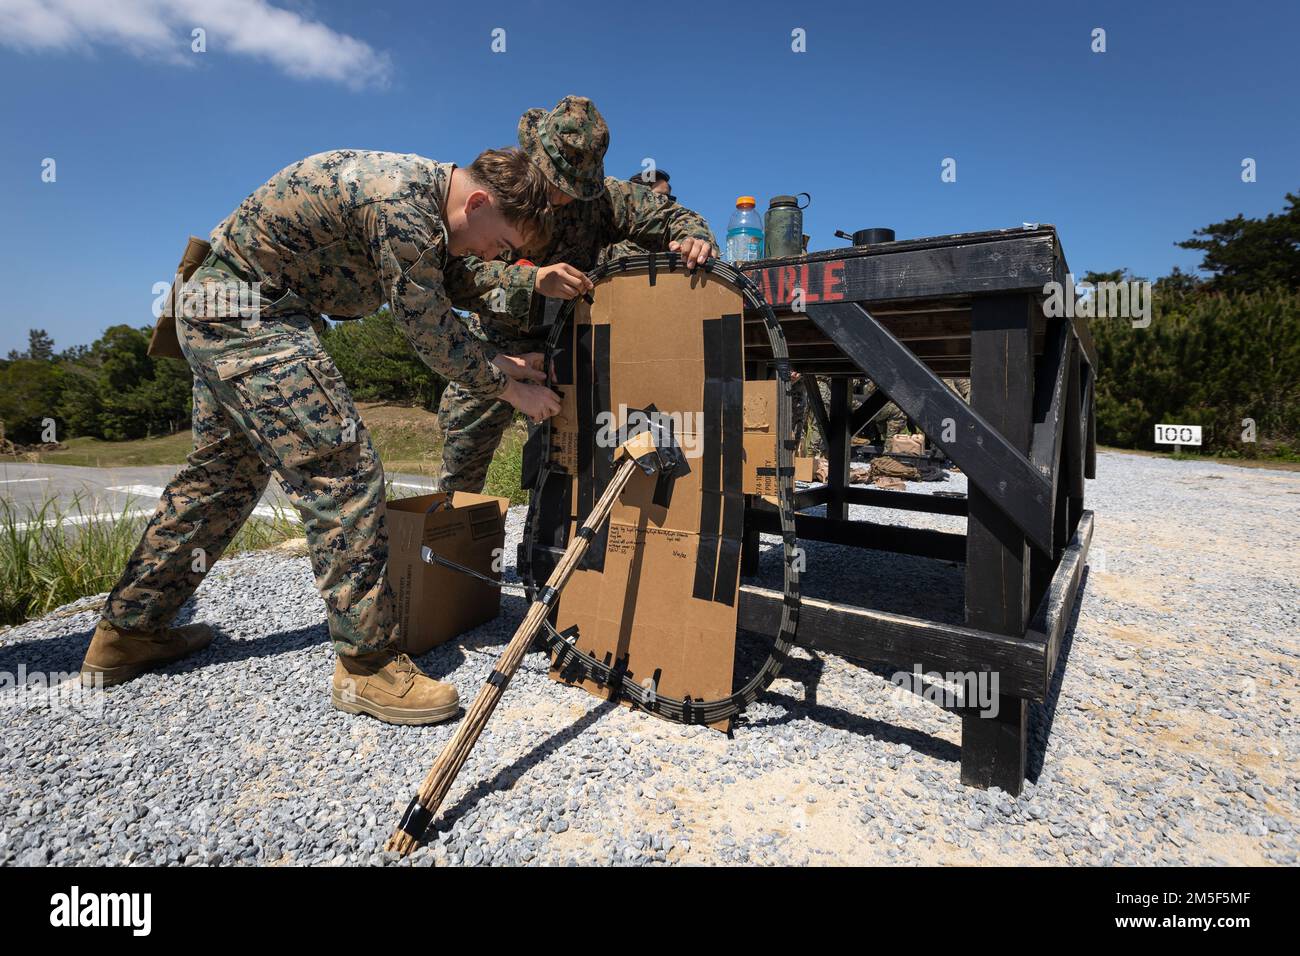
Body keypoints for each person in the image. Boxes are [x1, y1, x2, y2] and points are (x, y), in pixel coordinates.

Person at [81, 148, 559, 727]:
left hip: (221, 307)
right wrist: (507, 388)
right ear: (479, 202)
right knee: (343, 469)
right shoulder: (402, 206)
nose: (497, 256)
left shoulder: (430, 206)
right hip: (246, 316)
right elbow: (426, 324)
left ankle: (128, 632)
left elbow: (454, 280)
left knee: (222, 477)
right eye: (502, 243)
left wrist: (511, 326)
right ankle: (366, 665)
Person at [437, 96, 718, 494]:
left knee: (572, 461)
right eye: (557, 185)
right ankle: (454, 545)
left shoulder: (602, 200)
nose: (565, 198)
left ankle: (553, 544)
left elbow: (676, 217)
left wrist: (695, 240)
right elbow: (457, 277)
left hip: (573, 342)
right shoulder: (500, 195)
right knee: (463, 457)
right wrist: (532, 281)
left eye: (573, 189)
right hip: (498, 344)